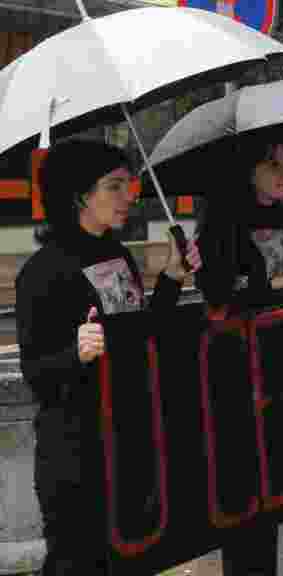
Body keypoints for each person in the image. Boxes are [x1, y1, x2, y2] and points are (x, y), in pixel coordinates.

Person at [15, 140, 202, 574]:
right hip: (77, 456)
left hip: (127, 440)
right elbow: (36, 374)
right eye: (113, 186)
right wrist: (74, 353)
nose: (129, 196)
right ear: (80, 194)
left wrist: (171, 279)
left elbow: (138, 333)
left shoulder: (118, 255)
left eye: (129, 184)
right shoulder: (43, 272)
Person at [195, 141, 283, 311]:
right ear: (250, 171)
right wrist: (280, 282)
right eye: (275, 164)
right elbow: (217, 294)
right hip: (248, 331)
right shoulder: (222, 220)